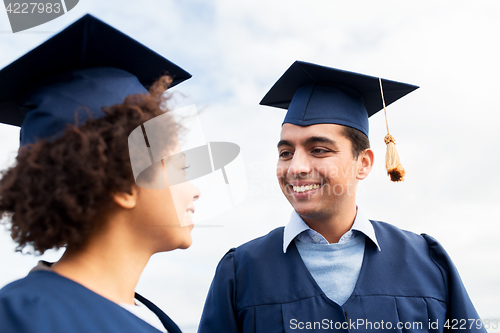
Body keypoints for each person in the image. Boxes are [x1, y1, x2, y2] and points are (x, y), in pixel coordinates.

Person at [198, 61, 486, 333]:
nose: (296, 167)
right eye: (286, 153)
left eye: (319, 150)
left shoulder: (427, 262)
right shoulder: (240, 272)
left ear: (363, 163)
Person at [0, 14, 198, 333]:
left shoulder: (155, 320)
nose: (194, 190)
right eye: (179, 168)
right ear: (124, 185)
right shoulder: (20, 319)